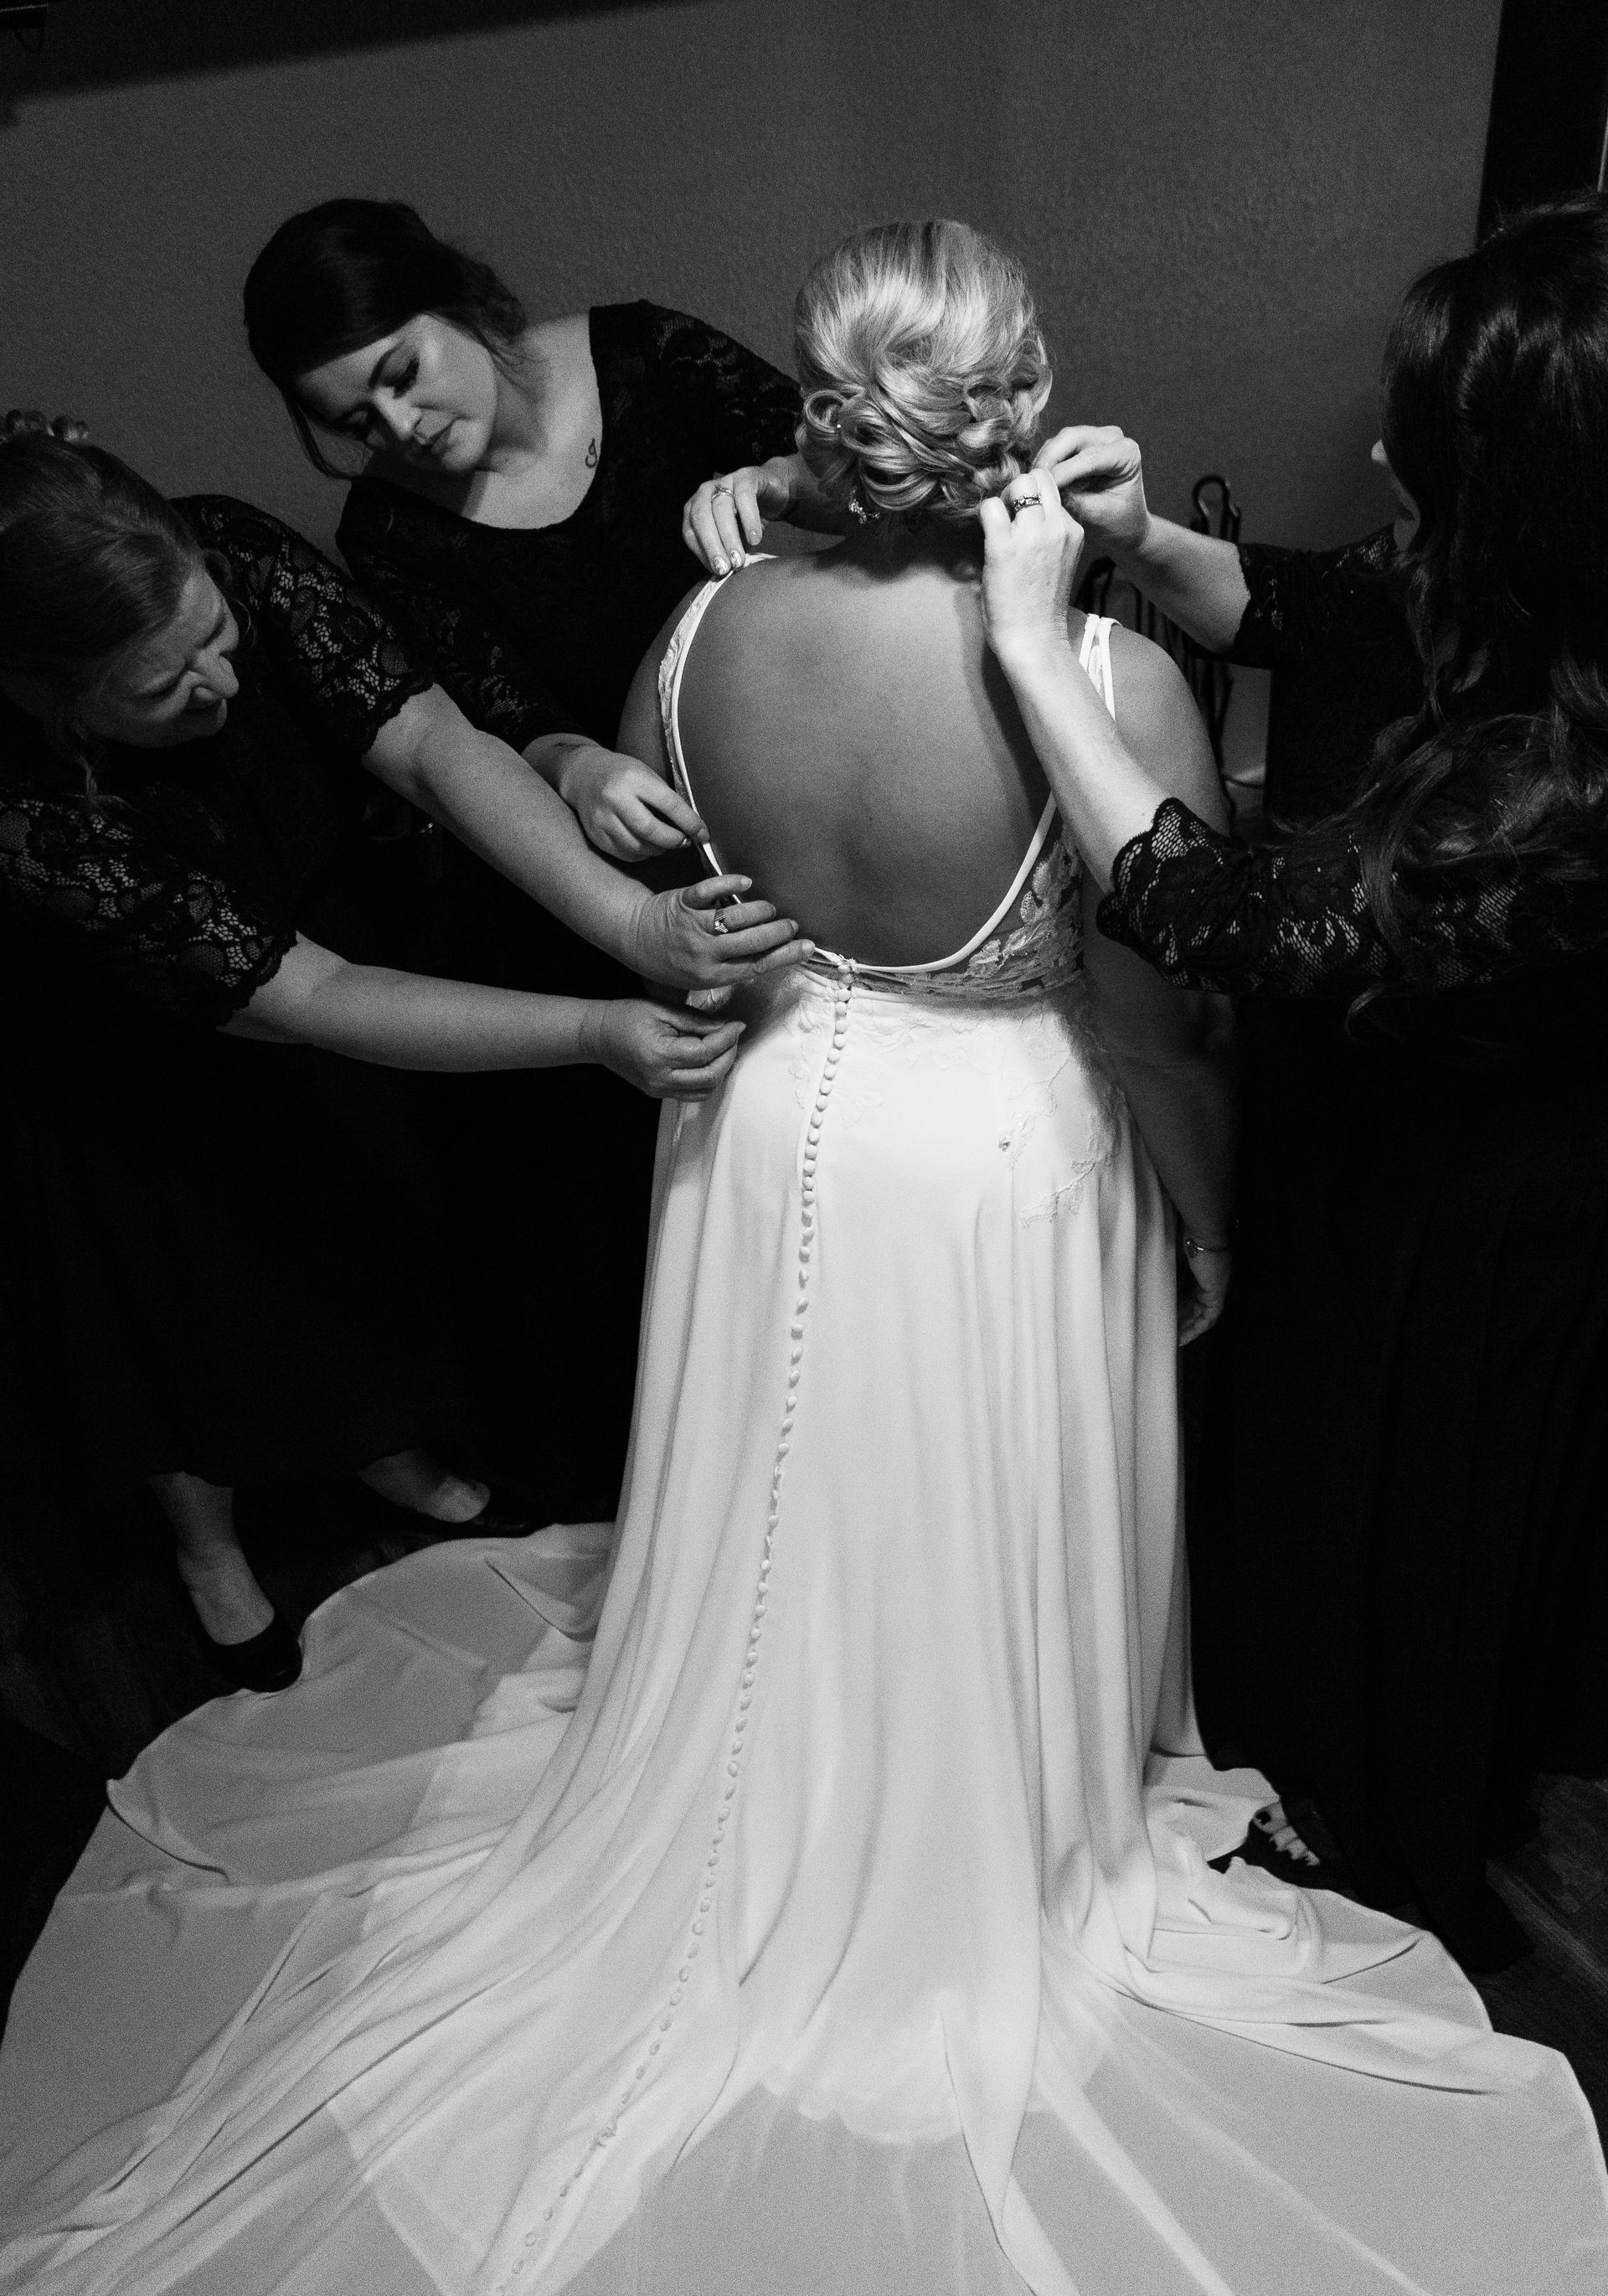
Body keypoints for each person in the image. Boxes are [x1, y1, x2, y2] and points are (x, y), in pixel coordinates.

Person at [3, 221, 1603, 2296]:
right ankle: (977, 1822)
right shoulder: (1098, 676)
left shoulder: (691, 638)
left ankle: (782, 1807)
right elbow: (1164, 997)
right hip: (1001, 1152)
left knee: (796, 1495)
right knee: (971, 1507)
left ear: (820, 413)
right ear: (1019, 410)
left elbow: (685, 844)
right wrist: (1207, 1205)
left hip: (767, 1125)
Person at [961, 191, 1608, 1967]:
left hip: (1474, 1216)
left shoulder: (1571, 780)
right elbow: (1316, 609)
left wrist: (1031, 644)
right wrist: (1143, 537)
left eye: (1429, 431)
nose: (1383, 441)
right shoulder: (1527, 577)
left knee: (1407, 1540)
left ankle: (1385, 1839)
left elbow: (1208, 910)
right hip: (1384, 1132)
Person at [0, 417, 795, 1690]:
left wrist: (633, 922)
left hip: (312, 908)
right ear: (50, 696)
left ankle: (374, 1442)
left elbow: (435, 744)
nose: (224, 686)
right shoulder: (31, 811)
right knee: (169, 1278)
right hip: (126, 1026)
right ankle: (206, 1543)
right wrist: (596, 1029)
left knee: (338, 1208)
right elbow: (309, 992)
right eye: (164, 687)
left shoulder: (239, 547)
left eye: (218, 634)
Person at [243, 200, 821, 1513]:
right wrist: (581, 763)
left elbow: (855, 477)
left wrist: (782, 488)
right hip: (590, 879)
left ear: (455, 298)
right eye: (344, 415)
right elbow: (480, 724)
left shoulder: (647, 353)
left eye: (398, 372)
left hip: (794, 792)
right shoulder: (386, 534)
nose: (392, 427)